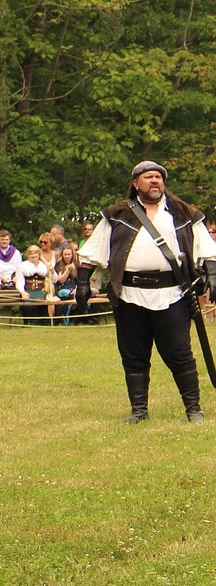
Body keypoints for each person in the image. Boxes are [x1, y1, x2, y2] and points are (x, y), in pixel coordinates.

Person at [78, 160, 216, 423]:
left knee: (179, 354)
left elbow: (208, 248)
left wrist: (213, 273)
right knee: (134, 355)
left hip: (173, 294)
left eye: (158, 177)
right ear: (135, 183)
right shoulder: (116, 214)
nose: (155, 181)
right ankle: (139, 411)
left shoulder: (184, 213)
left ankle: (193, 409)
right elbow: (93, 251)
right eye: (148, 177)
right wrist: (83, 282)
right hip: (129, 295)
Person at [21, 243, 53, 325]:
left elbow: (54, 279)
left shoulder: (44, 266)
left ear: (39, 254)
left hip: (41, 291)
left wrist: (52, 271)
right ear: (28, 255)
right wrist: (22, 292)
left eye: (35, 253)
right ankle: (29, 323)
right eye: (31, 253)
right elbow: (19, 281)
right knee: (28, 304)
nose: (33, 255)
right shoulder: (23, 265)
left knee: (44, 303)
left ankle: (42, 324)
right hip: (28, 291)